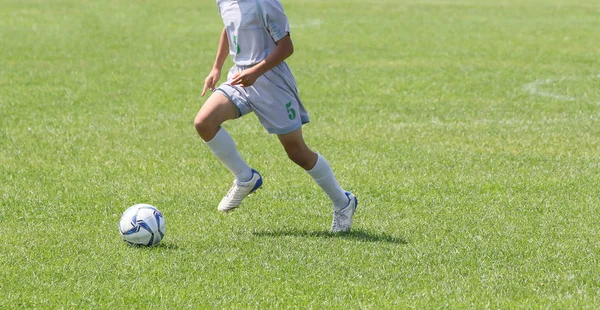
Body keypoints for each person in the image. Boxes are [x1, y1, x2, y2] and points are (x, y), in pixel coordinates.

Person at [194, 0, 357, 232]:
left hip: (272, 81)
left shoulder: (265, 3)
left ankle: (343, 202)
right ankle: (245, 177)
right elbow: (229, 28)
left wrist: (256, 71)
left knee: (297, 152)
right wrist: (216, 67)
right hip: (240, 77)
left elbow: (286, 46)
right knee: (204, 122)